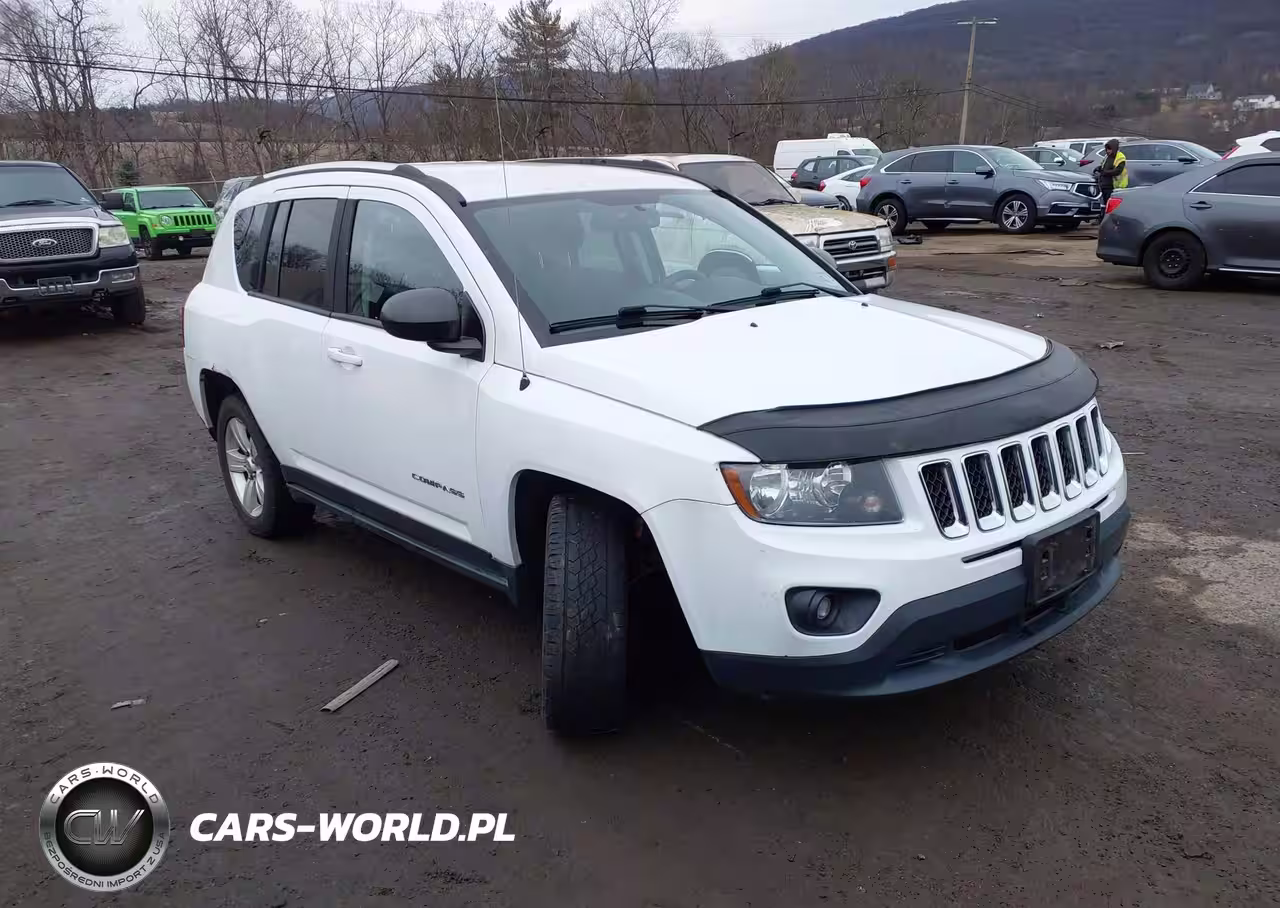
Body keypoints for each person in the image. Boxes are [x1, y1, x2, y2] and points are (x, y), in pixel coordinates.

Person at [1094, 139, 1128, 207]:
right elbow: (1103, 167)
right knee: (1104, 204)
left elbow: (1118, 171)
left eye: (1109, 149)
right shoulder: (1107, 157)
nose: (1108, 151)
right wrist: (1098, 168)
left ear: (1114, 148)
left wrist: (1105, 172)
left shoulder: (1120, 157)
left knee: (1111, 205)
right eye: (1106, 149)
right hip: (1104, 185)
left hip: (1114, 186)